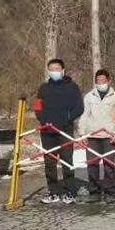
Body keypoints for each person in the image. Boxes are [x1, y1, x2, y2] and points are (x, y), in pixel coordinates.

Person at [33, 58, 84, 204]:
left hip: (65, 130)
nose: (54, 72)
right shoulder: (43, 88)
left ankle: (70, 191)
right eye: (51, 69)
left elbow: (79, 107)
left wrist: (67, 118)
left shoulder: (72, 87)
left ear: (63, 70)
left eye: (57, 69)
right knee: (49, 162)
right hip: (47, 131)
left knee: (67, 161)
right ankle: (53, 191)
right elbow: (37, 106)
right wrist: (42, 119)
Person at [78, 69, 115, 204]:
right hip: (92, 136)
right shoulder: (89, 97)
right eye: (98, 81)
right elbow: (84, 115)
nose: (101, 83)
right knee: (92, 165)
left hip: (109, 136)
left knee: (109, 166)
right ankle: (94, 192)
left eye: (103, 81)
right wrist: (82, 133)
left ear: (109, 81)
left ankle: (110, 192)